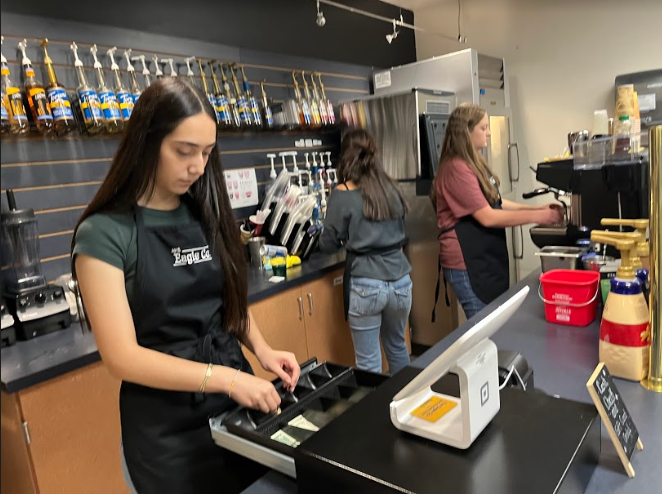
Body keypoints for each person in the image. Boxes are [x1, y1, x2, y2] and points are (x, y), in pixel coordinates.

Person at [72, 77, 300, 494]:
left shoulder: (205, 211)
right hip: (166, 433)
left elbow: (229, 301)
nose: (198, 166)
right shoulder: (104, 233)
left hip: (234, 405)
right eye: (184, 151)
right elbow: (122, 358)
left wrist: (263, 350)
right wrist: (228, 380)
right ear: (146, 142)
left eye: (207, 152)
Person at [431, 103, 563, 320]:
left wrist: (537, 208)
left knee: (494, 324)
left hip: (483, 257)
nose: (490, 133)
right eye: (483, 128)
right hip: (467, 262)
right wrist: (539, 217)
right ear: (466, 131)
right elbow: (488, 216)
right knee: (484, 328)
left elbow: (496, 202)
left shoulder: (472, 162)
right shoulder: (456, 168)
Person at [319, 129, 412, 375]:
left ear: (345, 157)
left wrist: (344, 239)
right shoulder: (389, 187)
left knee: (369, 363)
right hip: (401, 281)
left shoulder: (343, 192)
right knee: (397, 347)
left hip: (367, 285)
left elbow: (328, 242)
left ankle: (373, 414)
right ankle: (406, 406)